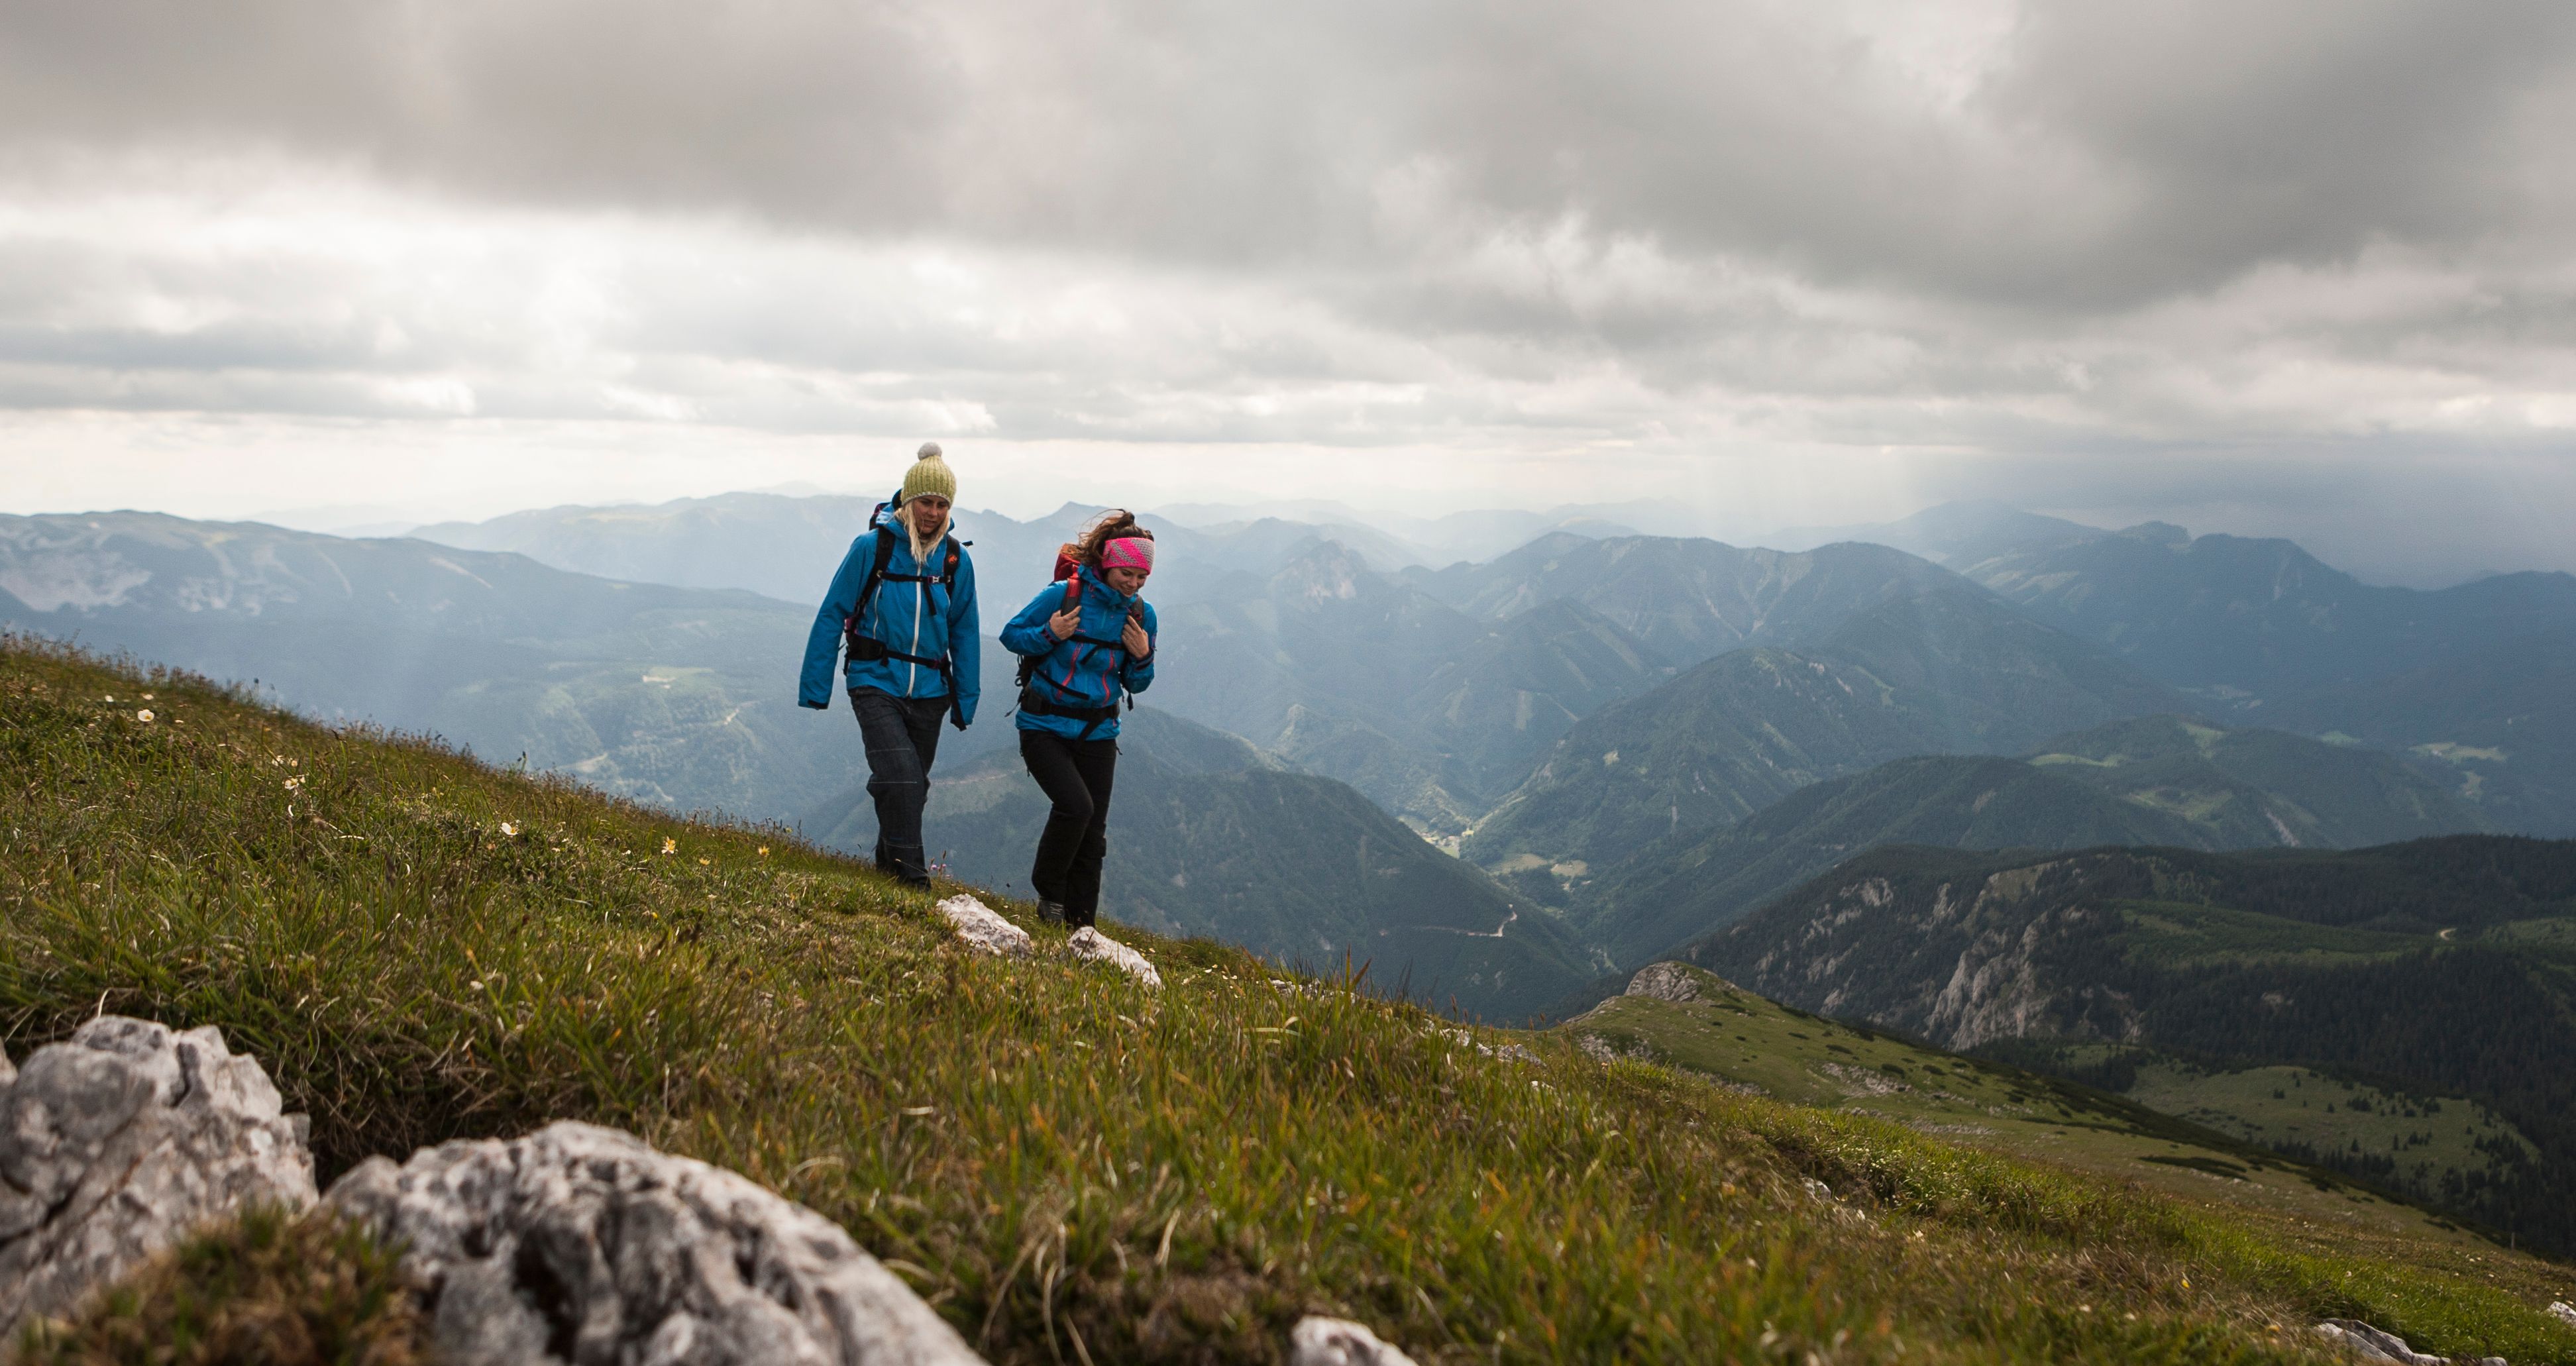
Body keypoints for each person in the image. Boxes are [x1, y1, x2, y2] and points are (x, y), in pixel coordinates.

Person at [798, 443, 980, 886]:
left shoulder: (956, 559)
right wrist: (816, 686)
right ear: (907, 499)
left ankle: (886, 874)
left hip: (931, 692)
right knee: (902, 780)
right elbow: (832, 612)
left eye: (941, 504)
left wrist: (965, 700)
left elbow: (965, 631)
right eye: (925, 503)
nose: (932, 513)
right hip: (874, 679)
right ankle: (914, 885)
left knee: (910, 787)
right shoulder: (871, 548)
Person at [1000, 511, 1158, 927]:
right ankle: (1049, 889)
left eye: (1142, 577)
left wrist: (1143, 655)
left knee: (1094, 834)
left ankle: (1081, 926)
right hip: (1043, 725)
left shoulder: (1141, 616)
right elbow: (1011, 635)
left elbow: (1137, 685)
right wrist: (1050, 633)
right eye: (1127, 573)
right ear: (1107, 562)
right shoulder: (1062, 595)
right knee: (1076, 807)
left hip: (1099, 731)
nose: (1134, 584)